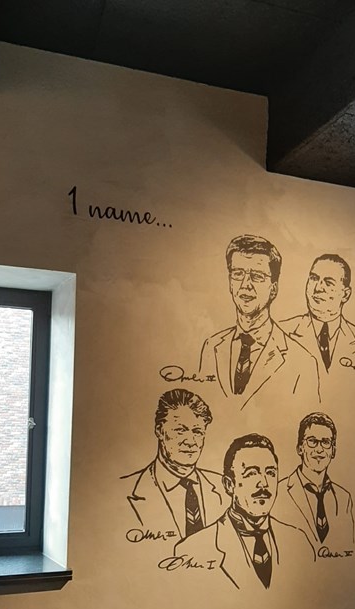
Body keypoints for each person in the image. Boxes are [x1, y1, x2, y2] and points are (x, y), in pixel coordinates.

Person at [174, 433, 315, 589]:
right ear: (229, 485)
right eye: (251, 473)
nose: (264, 483)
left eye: (270, 473)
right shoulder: (192, 550)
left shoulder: (299, 540)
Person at [199, 235, 320, 409]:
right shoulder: (211, 347)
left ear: (274, 289)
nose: (245, 284)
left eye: (257, 276)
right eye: (238, 274)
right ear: (230, 282)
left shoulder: (302, 362)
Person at [120, 389, 226, 543]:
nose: (190, 441)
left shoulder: (225, 488)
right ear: (159, 431)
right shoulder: (124, 490)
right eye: (180, 430)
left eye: (197, 432)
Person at [275, 412, 354, 555]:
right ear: (300, 448)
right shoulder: (278, 493)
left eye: (325, 442)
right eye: (312, 441)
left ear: (333, 451)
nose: (319, 449)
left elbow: (349, 545)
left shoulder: (344, 498)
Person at [280, 254, 355, 374]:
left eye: (328, 283)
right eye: (314, 278)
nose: (318, 288)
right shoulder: (281, 331)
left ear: (345, 294)